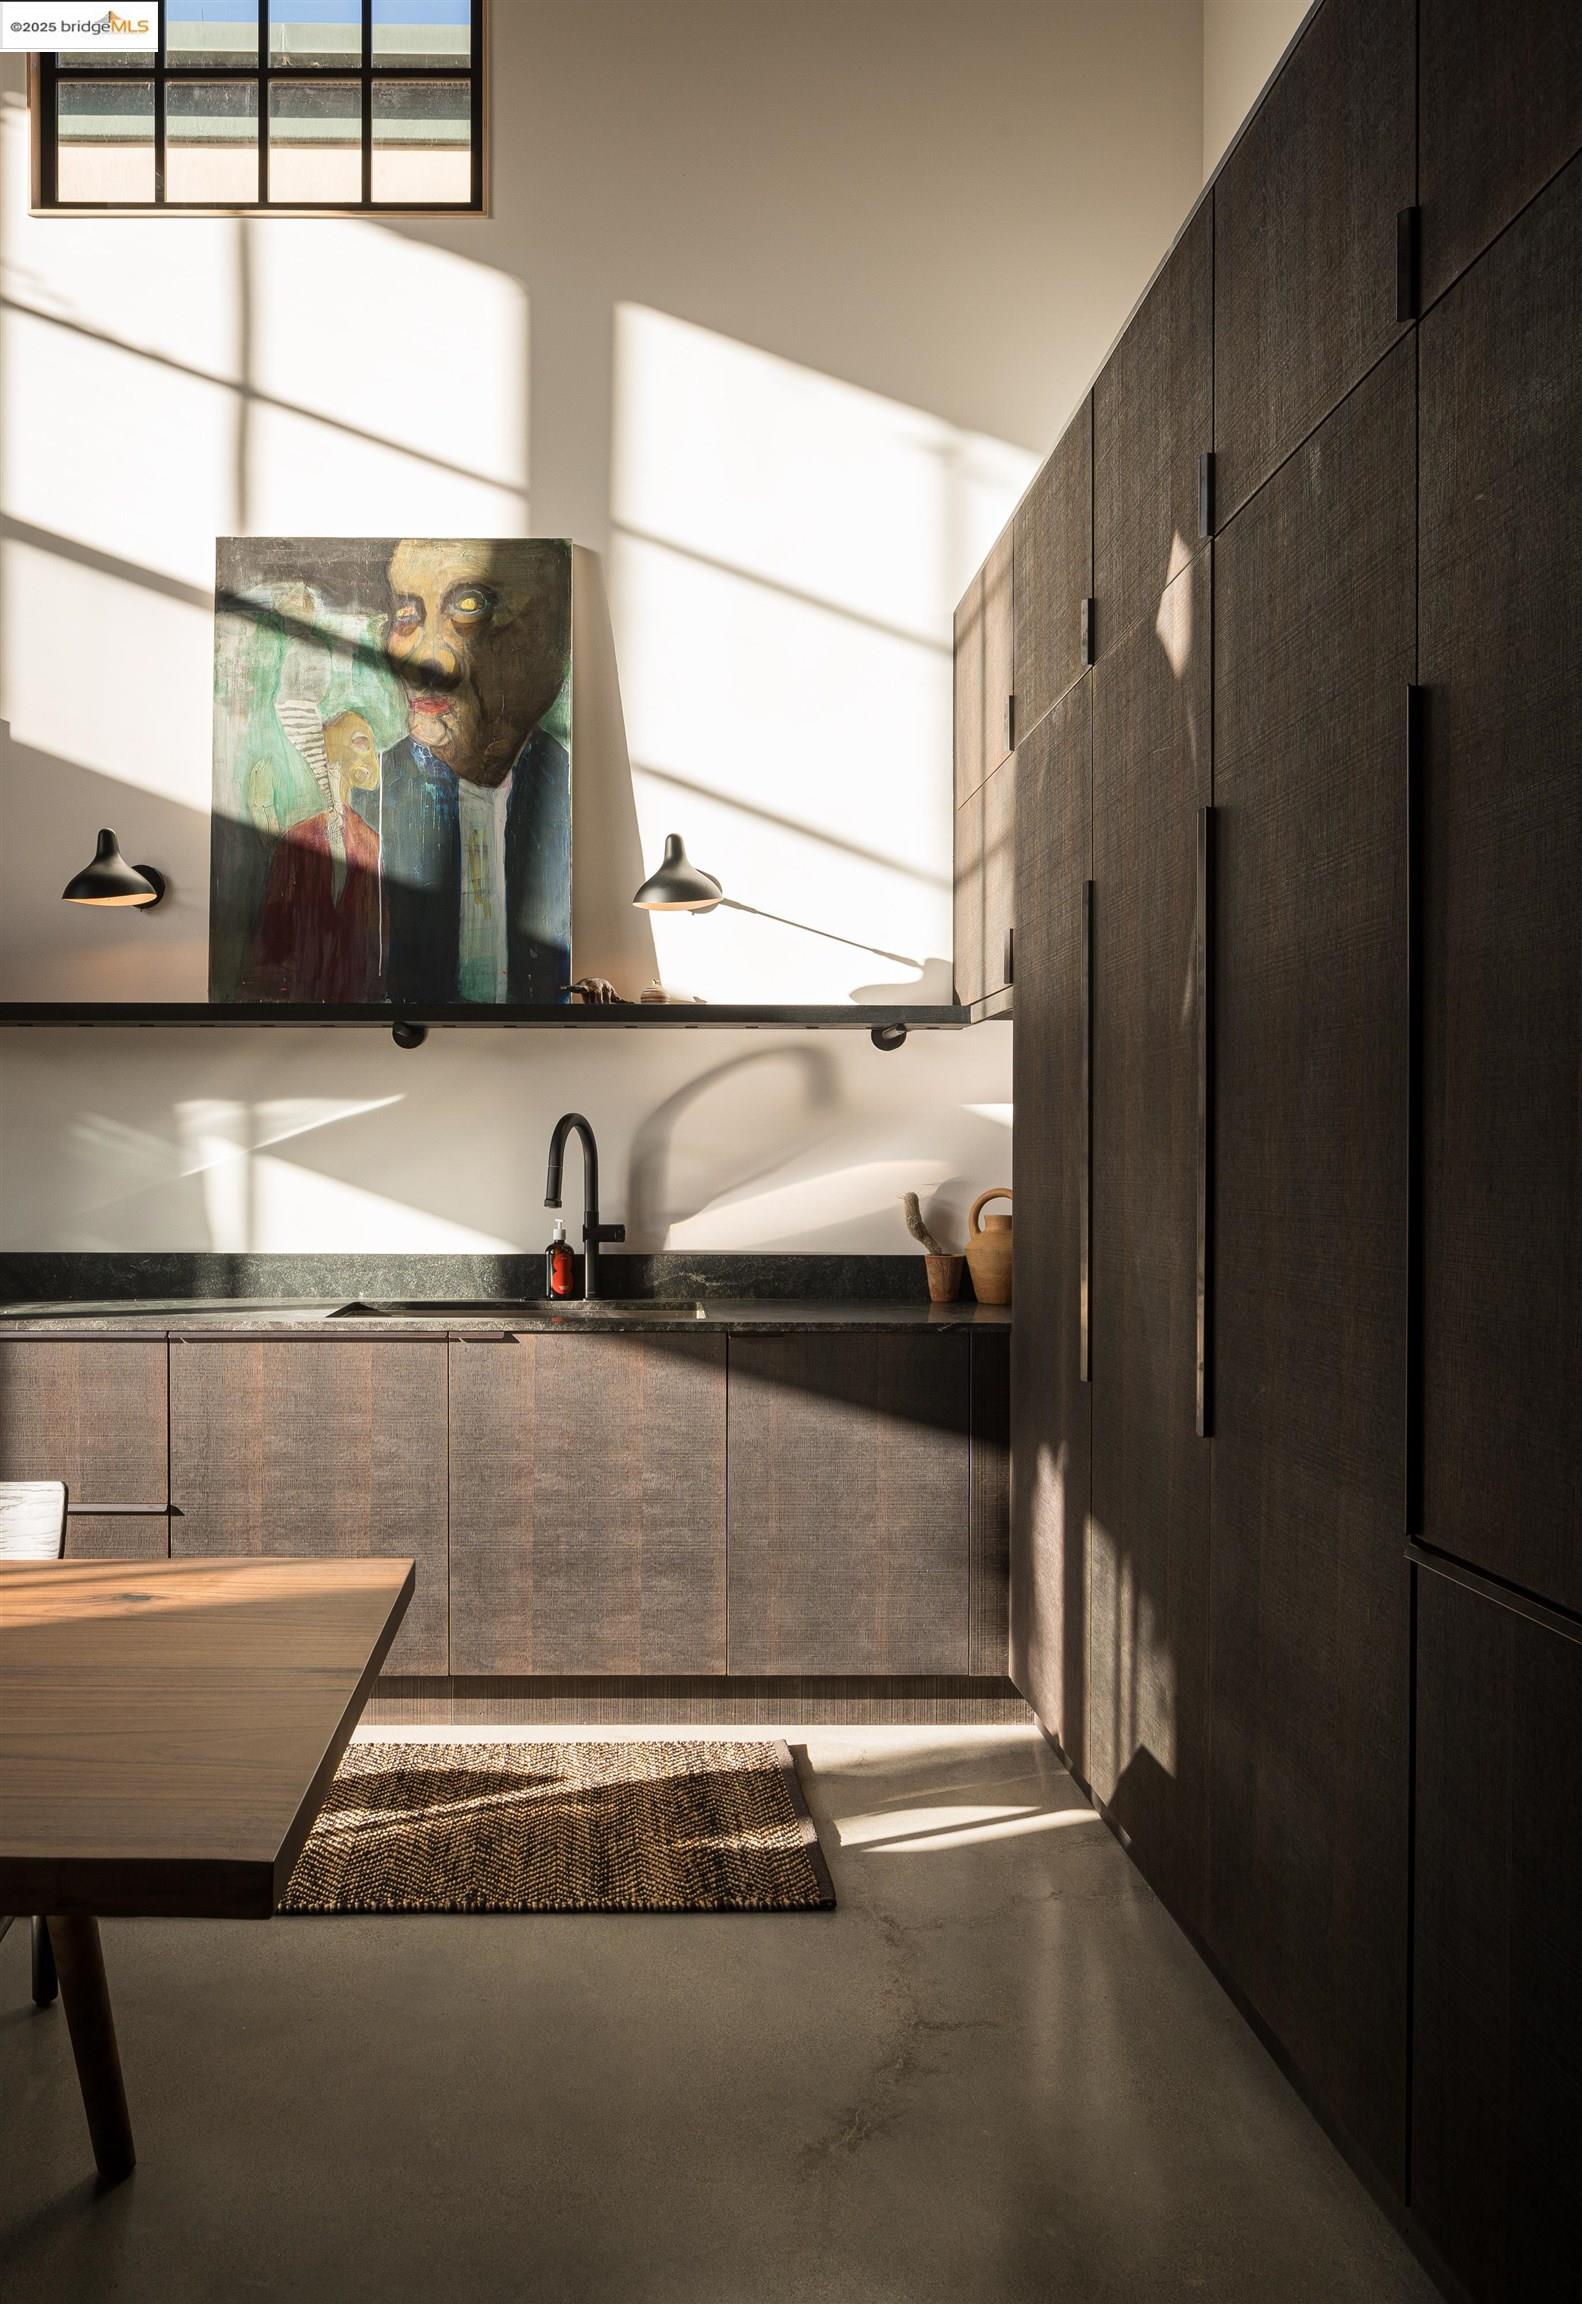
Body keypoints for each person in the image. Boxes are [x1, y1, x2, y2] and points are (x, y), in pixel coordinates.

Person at [362, 538, 572, 1004]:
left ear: (545, 635)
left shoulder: (569, 792)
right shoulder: (366, 800)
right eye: (407, 616)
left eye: (469, 606)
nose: (425, 659)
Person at [240, 710, 382, 1004]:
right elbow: (272, 938)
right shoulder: (298, 839)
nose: (368, 752)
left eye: (368, 743)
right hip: (300, 998)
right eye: (359, 741)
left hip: (360, 1001)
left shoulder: (371, 842)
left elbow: (377, 937)